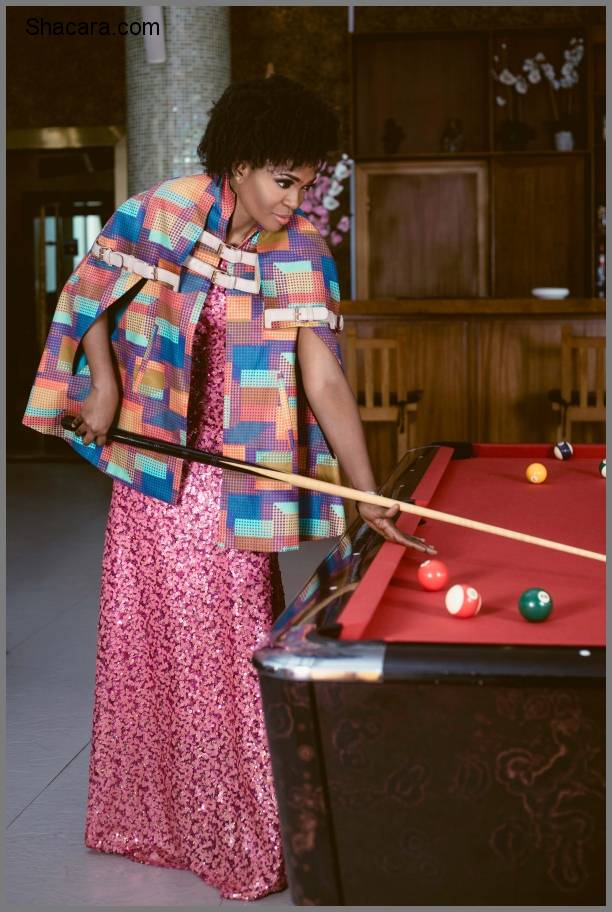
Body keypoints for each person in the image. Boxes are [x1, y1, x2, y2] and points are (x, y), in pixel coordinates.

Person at [23, 75, 427, 901]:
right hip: (152, 473)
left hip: (233, 479)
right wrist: (100, 383)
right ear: (239, 166)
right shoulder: (164, 212)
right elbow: (88, 292)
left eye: (308, 181)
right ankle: (150, 824)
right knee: (150, 651)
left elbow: (325, 378)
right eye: (285, 180)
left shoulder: (301, 250)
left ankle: (243, 836)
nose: (297, 197)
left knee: (235, 653)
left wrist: (367, 491)